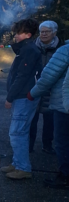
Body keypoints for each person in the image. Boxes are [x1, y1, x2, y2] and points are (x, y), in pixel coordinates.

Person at [0, 19, 42, 180]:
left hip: (24, 97)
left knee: (17, 132)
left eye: (19, 33)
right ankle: (17, 163)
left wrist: (10, 97)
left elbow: (22, 77)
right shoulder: (25, 49)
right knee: (19, 132)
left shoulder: (29, 50)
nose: (16, 36)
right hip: (22, 96)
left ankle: (23, 168)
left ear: (28, 35)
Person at [28, 26, 69, 188]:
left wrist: (33, 93)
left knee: (63, 141)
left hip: (63, 105)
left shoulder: (64, 51)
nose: (43, 34)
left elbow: (48, 77)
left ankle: (65, 176)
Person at [30, 20, 61, 155]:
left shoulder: (61, 48)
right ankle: (29, 146)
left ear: (54, 33)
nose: (43, 34)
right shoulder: (32, 48)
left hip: (52, 90)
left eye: (47, 31)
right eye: (41, 31)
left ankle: (47, 145)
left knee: (50, 121)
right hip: (34, 88)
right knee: (31, 119)